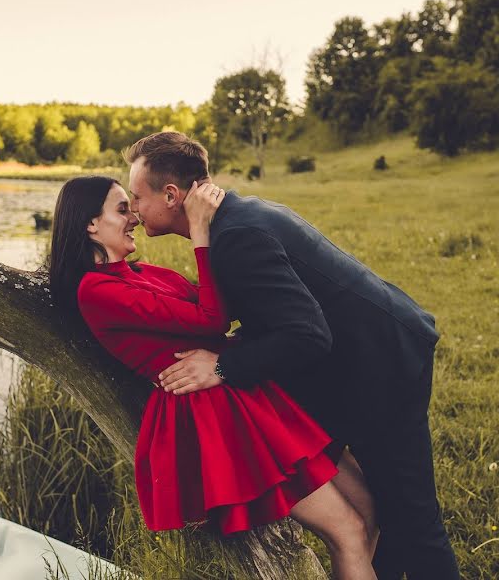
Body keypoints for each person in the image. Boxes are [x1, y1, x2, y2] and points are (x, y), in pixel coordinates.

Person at [126, 132, 460, 580]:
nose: (133, 209)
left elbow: (306, 335)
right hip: (350, 364)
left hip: (383, 364)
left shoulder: (238, 238)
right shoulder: (232, 221)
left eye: (136, 197)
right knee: (389, 507)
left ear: (171, 195)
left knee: (415, 520)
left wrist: (222, 367)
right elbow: (275, 319)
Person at [48, 175, 379, 580]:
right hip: (219, 415)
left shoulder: (143, 274)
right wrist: (200, 234)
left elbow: (216, 303)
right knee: (349, 529)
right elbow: (211, 318)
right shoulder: (96, 290)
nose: (134, 215)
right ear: (90, 225)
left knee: (366, 508)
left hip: (239, 389)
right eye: (122, 209)